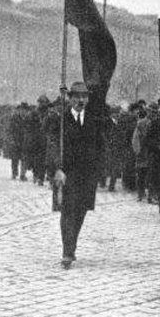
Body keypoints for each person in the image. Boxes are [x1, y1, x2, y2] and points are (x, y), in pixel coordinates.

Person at [50, 82, 104, 269]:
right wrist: (57, 168)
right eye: (77, 97)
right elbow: (53, 145)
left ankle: (71, 246)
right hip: (67, 173)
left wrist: (99, 169)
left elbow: (100, 146)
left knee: (80, 211)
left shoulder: (93, 120)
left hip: (87, 175)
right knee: (68, 211)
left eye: (84, 97)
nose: (81, 100)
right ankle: (67, 251)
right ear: (70, 98)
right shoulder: (61, 120)